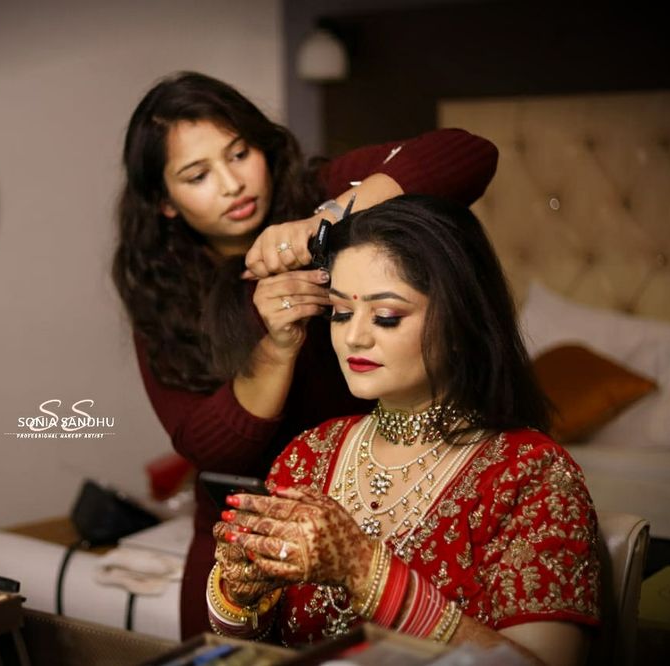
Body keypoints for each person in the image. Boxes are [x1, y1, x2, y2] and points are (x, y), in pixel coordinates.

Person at [111, 71, 499, 639]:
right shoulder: (160, 289)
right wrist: (275, 346)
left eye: (239, 153)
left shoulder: (322, 191)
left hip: (372, 501)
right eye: (197, 175)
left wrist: (325, 222)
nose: (232, 184)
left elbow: (468, 154)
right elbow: (204, 446)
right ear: (165, 202)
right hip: (243, 529)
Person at [209, 195, 600, 666]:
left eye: (386, 317)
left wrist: (365, 571)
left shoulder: (529, 475)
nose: (354, 337)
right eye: (340, 313)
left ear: (460, 321)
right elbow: (255, 643)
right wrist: (239, 596)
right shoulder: (311, 453)